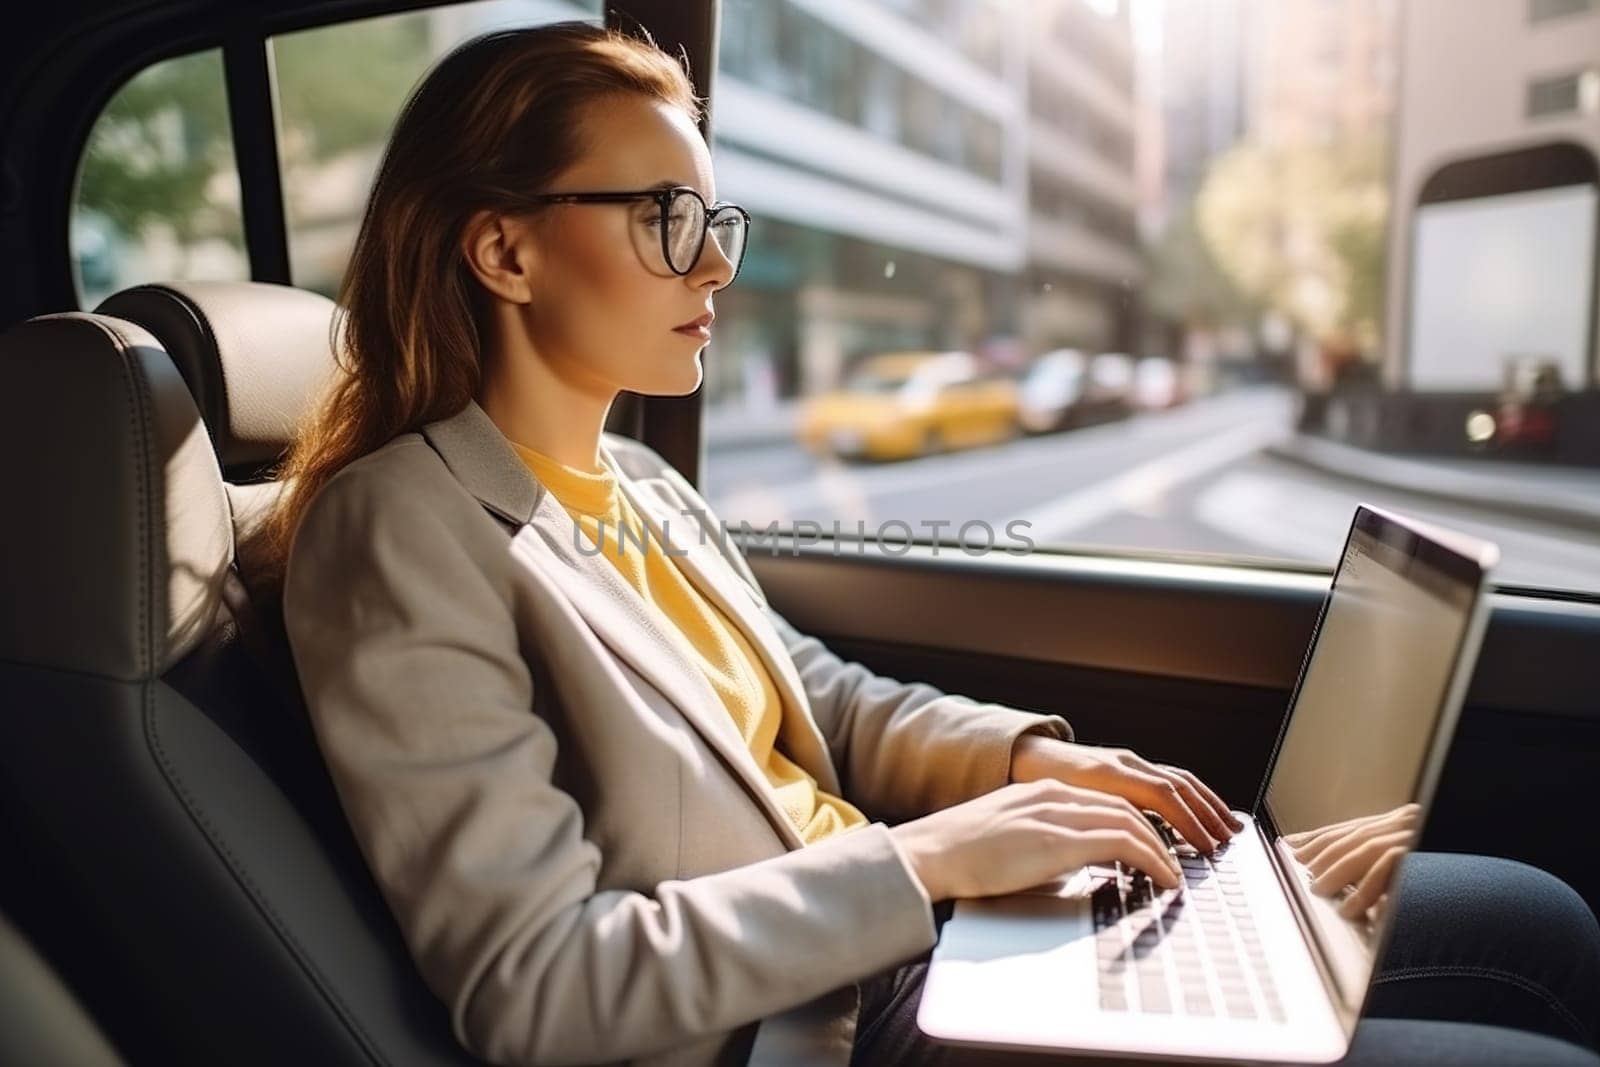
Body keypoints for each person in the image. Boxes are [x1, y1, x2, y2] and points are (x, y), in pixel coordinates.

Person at [255, 21, 1600, 1067]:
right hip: (833, 1025)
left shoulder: (643, 482)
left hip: (922, 944)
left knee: (1537, 919)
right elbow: (537, 987)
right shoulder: (400, 532)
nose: (714, 267)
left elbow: (823, 704)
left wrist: (1028, 764)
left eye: (715, 222)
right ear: (504, 249)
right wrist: (932, 860)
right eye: (666, 218)